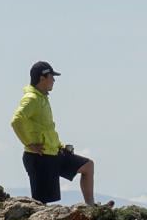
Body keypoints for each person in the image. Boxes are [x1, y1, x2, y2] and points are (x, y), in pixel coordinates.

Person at [10, 61, 107, 206]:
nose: (54, 80)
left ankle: (91, 206)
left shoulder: (42, 97)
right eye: (52, 76)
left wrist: (60, 146)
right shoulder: (32, 99)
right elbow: (16, 120)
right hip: (39, 157)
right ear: (43, 78)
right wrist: (29, 144)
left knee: (88, 166)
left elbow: (46, 128)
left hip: (54, 153)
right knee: (42, 204)